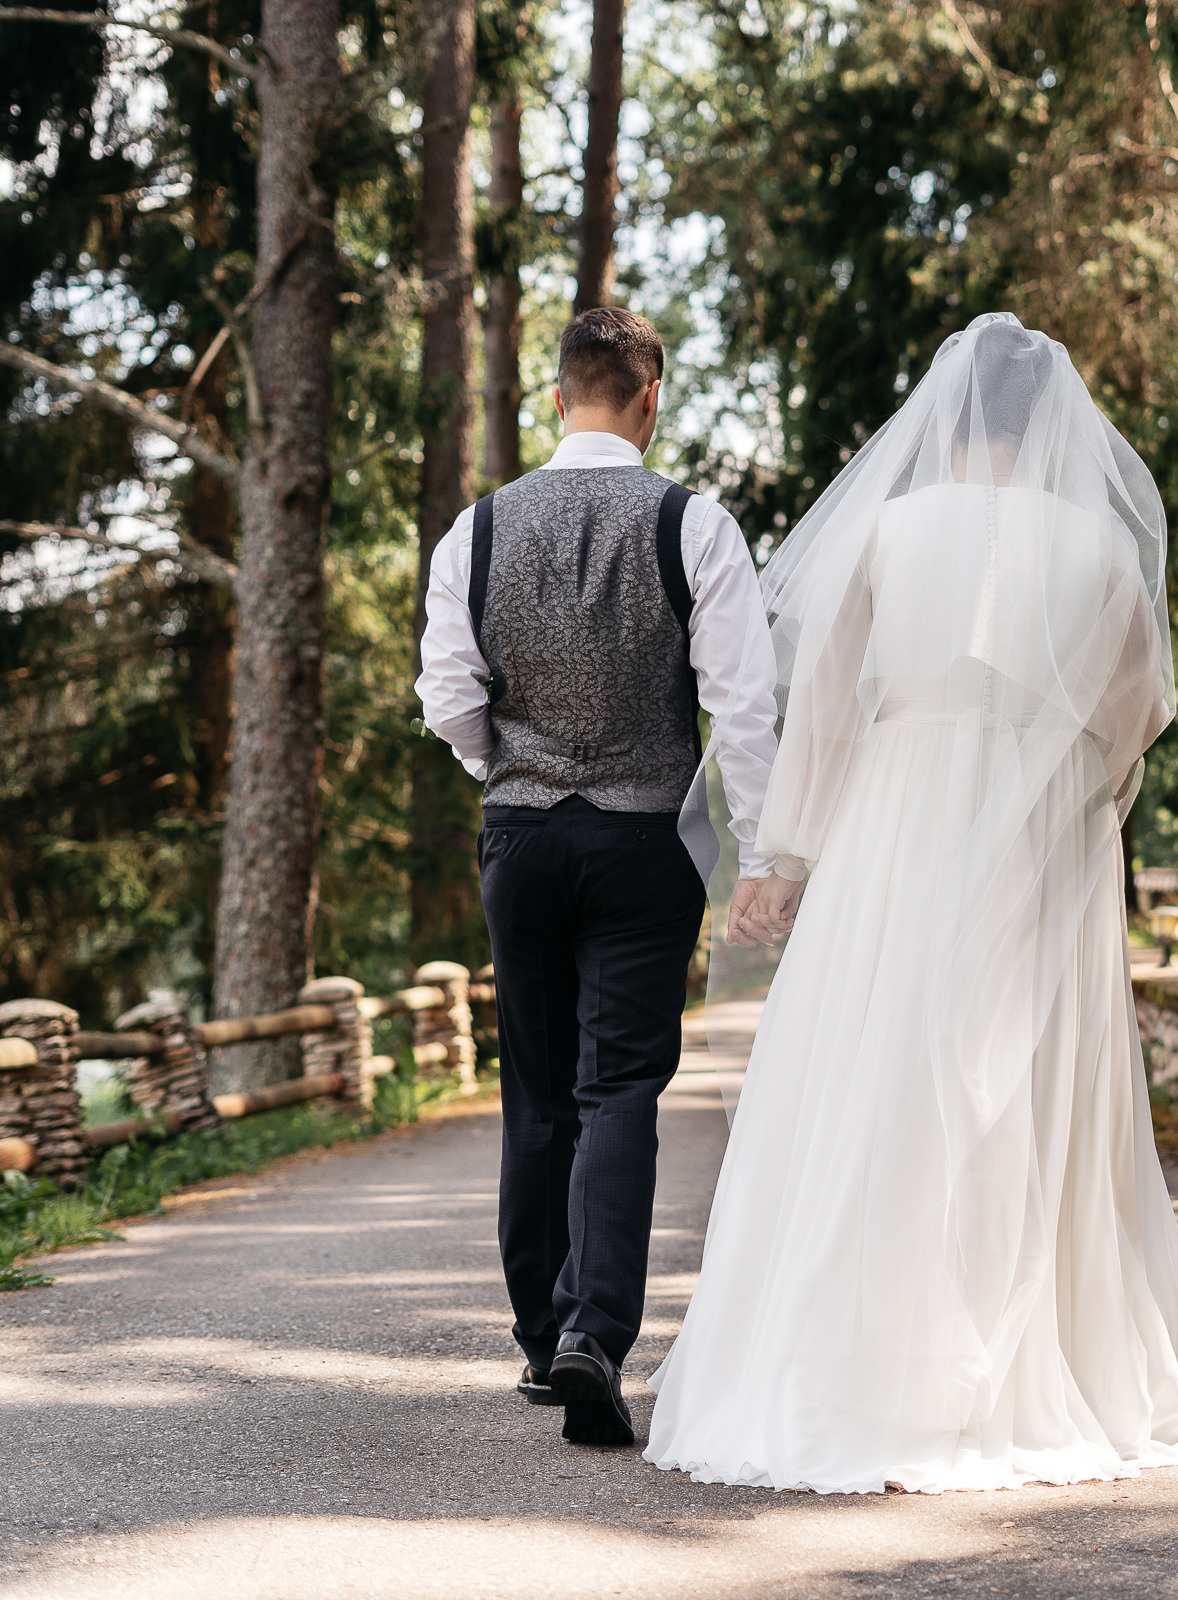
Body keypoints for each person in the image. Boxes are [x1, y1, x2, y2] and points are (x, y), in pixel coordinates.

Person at [643, 313, 1178, 1493]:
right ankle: (1029, 1365)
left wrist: (787, 854)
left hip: (899, 822)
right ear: (1053, 418)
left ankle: (869, 1364)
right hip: (1045, 830)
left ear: (950, 409)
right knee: (1026, 1079)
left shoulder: (888, 528)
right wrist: (1054, 771)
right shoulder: (1106, 552)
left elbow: (822, 704)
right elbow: (1133, 710)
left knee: (879, 1066)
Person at [414, 306, 794, 1447]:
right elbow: (743, 705)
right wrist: (766, 854)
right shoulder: (696, 525)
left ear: (560, 395)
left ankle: (543, 1342)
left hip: (521, 842)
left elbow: (448, 699)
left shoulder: (474, 532)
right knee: (618, 1086)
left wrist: (512, 767)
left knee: (534, 1092)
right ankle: (595, 1335)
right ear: (648, 397)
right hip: (644, 845)